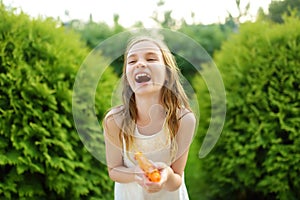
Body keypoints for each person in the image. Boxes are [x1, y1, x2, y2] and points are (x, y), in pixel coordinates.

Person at [103, 35, 196, 200]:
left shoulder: (184, 120)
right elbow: (114, 169)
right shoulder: (114, 121)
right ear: (127, 77)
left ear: (167, 73)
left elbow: (177, 178)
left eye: (151, 58)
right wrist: (137, 174)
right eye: (132, 62)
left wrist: (166, 175)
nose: (140, 63)